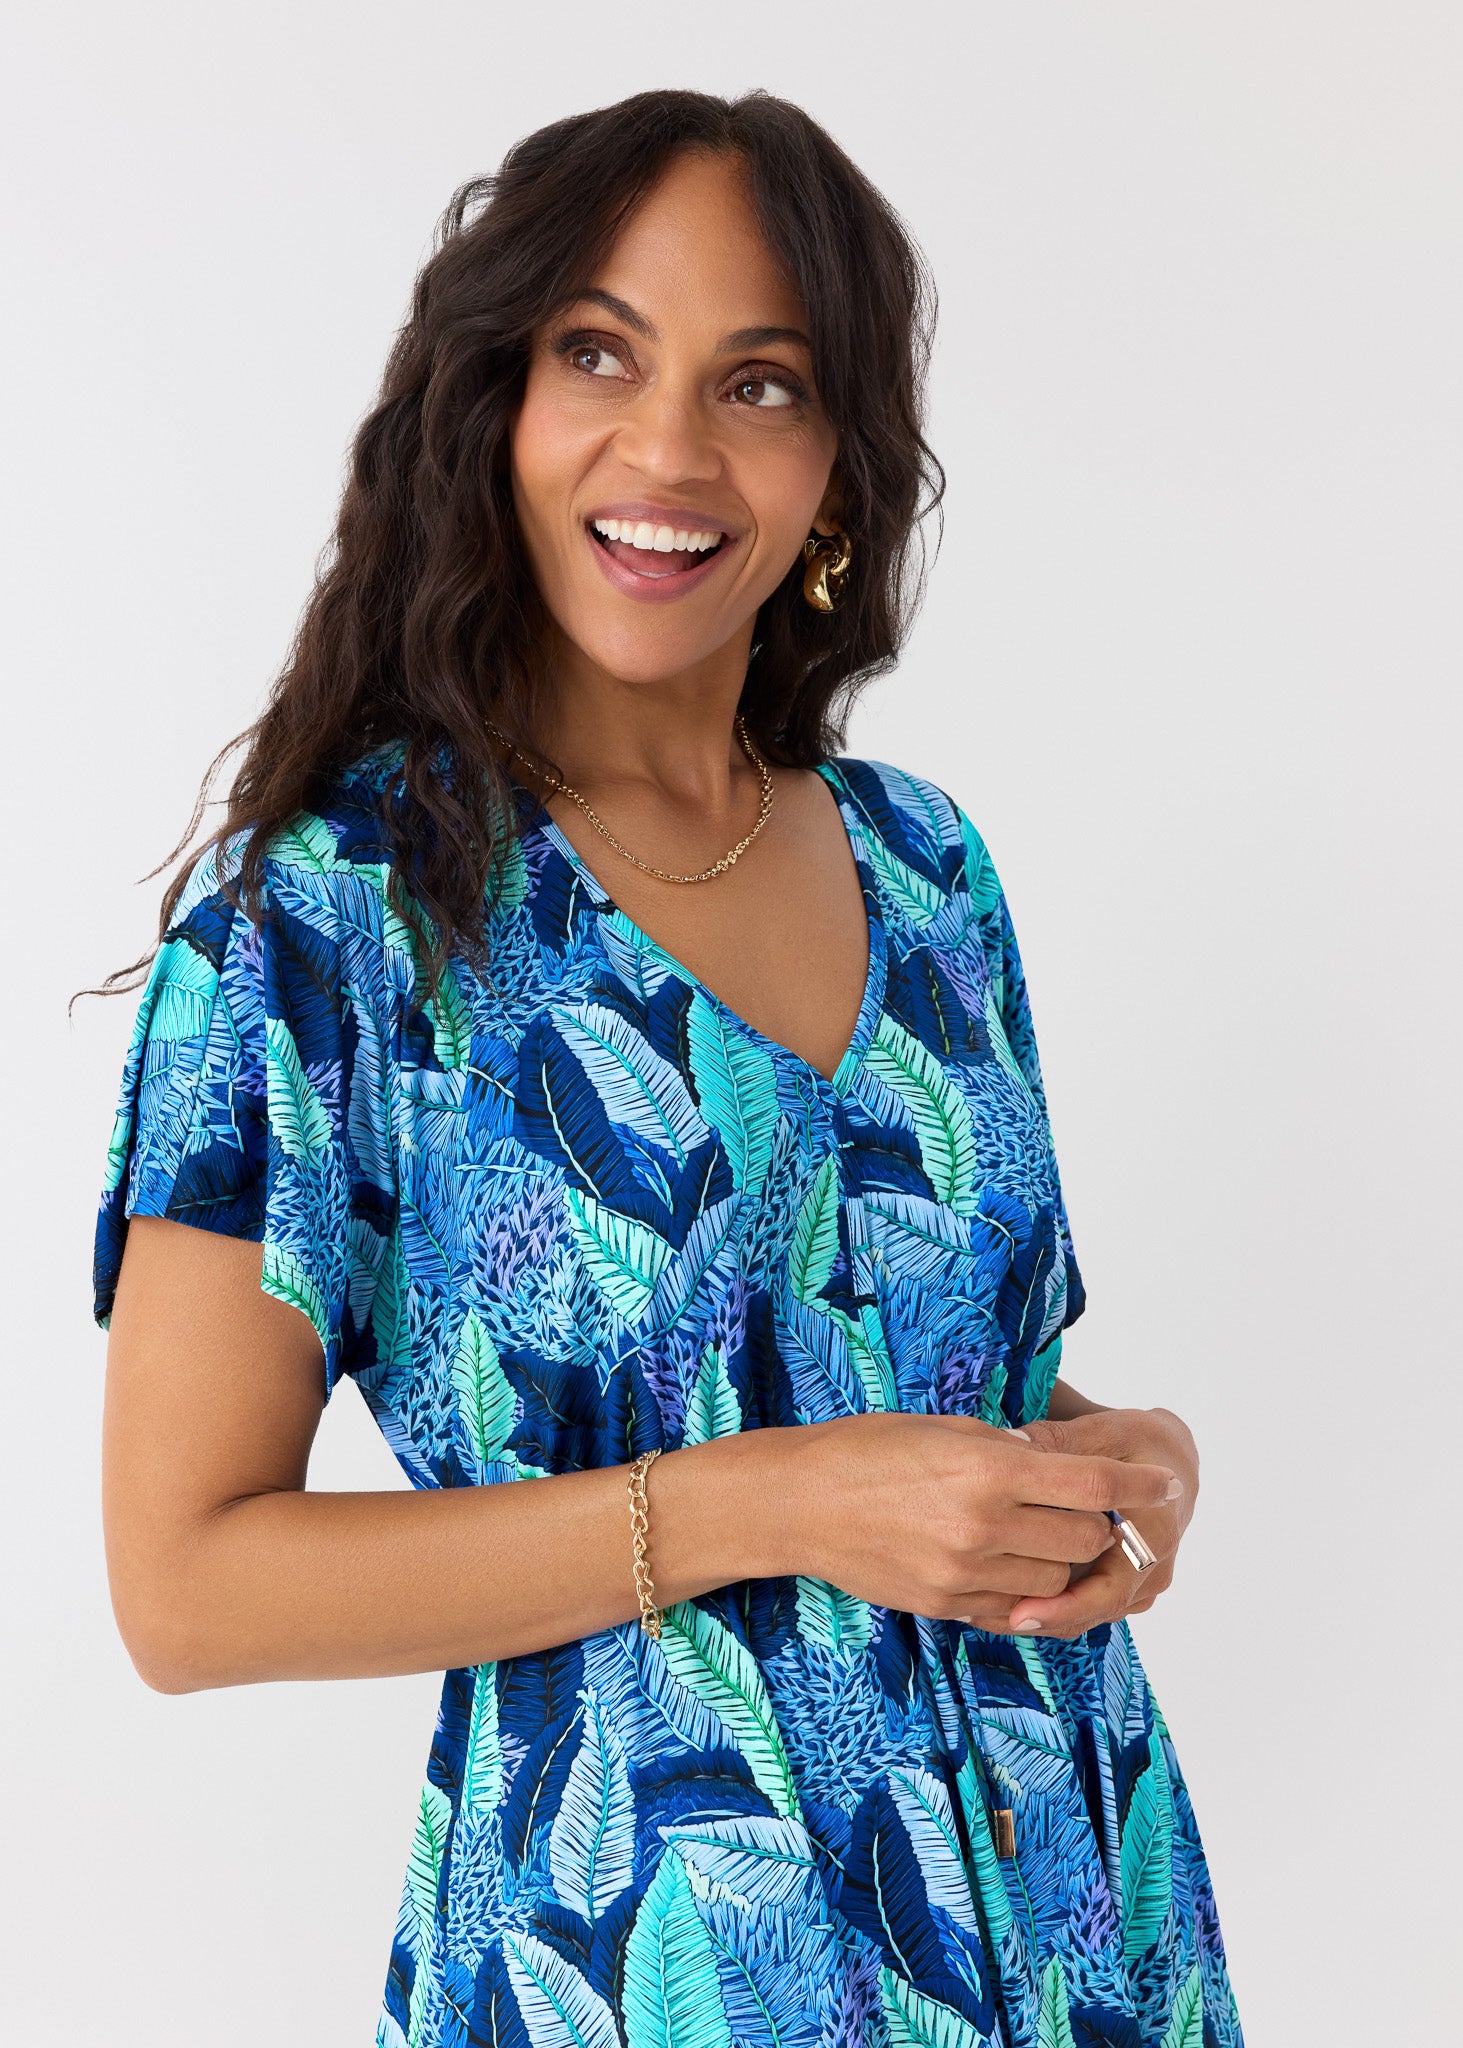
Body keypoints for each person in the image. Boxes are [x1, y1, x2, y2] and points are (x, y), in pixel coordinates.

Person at [89, 87, 1245, 2048]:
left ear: (842, 477)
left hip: (1074, 1919)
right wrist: (759, 1506)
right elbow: (186, 1586)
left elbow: (907, 1356)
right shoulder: (334, 915)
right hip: (655, 1957)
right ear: (496, 408)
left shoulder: (928, 867)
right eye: (600, 352)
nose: (670, 449)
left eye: (764, 382)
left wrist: (1126, 1458)